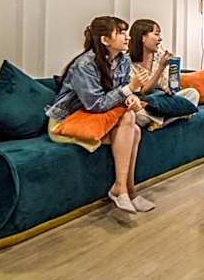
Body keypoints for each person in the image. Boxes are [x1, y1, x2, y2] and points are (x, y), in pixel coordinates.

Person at [45, 16, 155, 214]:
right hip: (68, 120)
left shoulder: (123, 59)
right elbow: (95, 104)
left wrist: (131, 97)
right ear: (105, 40)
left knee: (133, 126)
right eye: (121, 33)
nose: (128, 37)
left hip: (96, 115)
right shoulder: (84, 65)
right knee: (132, 126)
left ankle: (127, 190)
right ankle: (123, 189)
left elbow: (120, 91)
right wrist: (129, 89)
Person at [127, 19, 200, 128]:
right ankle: (174, 116)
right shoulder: (127, 62)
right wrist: (161, 67)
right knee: (139, 117)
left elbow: (165, 85)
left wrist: (168, 89)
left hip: (161, 99)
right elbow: (143, 92)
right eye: (156, 34)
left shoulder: (159, 56)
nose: (160, 39)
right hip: (146, 102)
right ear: (143, 37)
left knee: (193, 94)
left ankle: (161, 122)